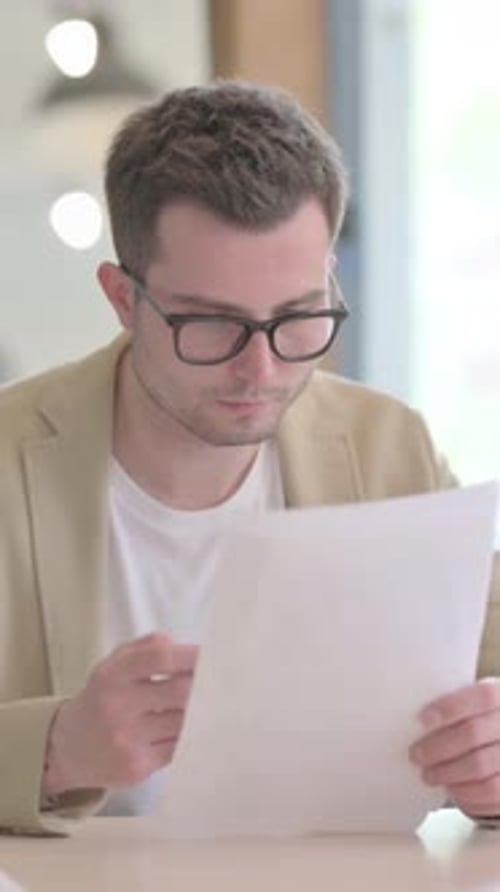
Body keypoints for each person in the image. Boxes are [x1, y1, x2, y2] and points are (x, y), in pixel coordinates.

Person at [1, 80, 499, 836]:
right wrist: (54, 752)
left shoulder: (388, 445)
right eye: (212, 324)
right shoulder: (11, 457)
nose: (262, 371)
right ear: (121, 298)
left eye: (298, 317)